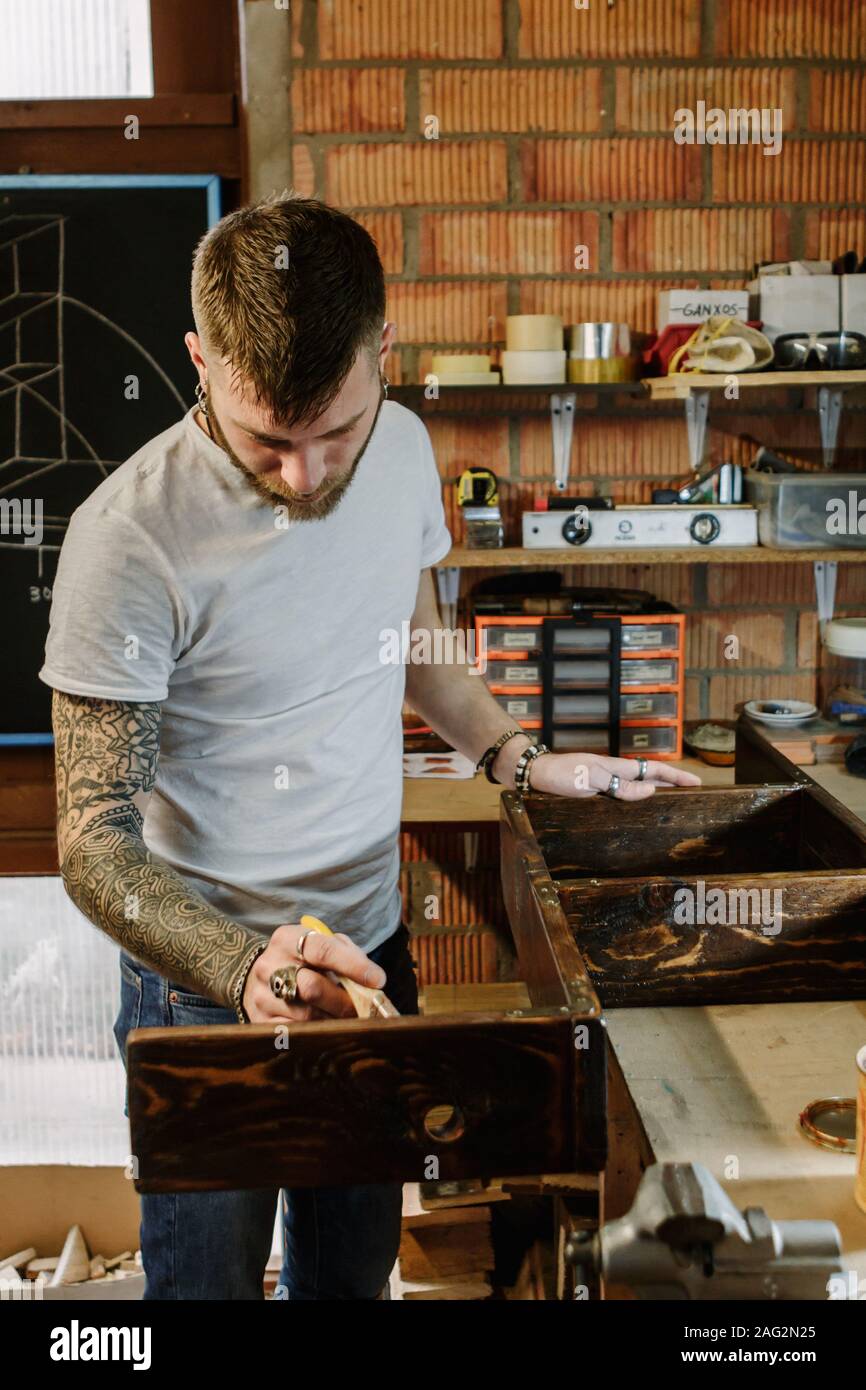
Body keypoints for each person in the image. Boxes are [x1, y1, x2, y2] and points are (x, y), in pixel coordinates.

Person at [41, 193, 700, 1300]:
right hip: (206, 988)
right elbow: (92, 841)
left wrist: (523, 759)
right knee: (203, 1290)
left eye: (334, 432)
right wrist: (244, 970)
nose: (304, 477)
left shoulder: (400, 449)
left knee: (351, 1281)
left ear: (382, 355)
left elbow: (418, 651)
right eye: (267, 440)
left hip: (367, 953)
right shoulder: (128, 538)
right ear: (199, 361)